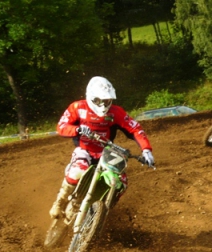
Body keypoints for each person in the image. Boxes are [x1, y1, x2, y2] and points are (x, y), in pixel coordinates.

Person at [49, 76, 154, 220]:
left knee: (121, 183)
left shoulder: (116, 112)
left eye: (107, 101)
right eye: (99, 101)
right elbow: (61, 126)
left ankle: (103, 211)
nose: (103, 105)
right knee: (78, 170)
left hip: (106, 152)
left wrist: (146, 150)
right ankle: (59, 202)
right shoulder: (78, 107)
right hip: (84, 149)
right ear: (91, 97)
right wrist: (77, 129)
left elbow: (135, 129)